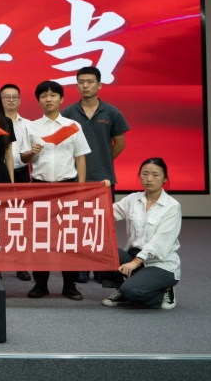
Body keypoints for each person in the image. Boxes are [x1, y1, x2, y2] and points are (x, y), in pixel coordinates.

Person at [21, 80, 92, 301]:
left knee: (68, 237)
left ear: (61, 99)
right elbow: (23, 158)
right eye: (43, 96)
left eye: (53, 95)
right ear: (38, 100)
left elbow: (80, 158)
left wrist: (81, 189)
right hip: (40, 187)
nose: (48, 99)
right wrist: (31, 152)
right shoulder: (31, 126)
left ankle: (69, 285)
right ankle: (40, 283)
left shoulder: (73, 125)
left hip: (67, 186)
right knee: (39, 237)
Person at [61, 66, 131, 284]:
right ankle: (82, 267)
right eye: (81, 82)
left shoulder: (111, 112)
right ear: (76, 86)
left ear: (99, 85)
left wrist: (103, 161)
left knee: (102, 225)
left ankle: (101, 267)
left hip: (104, 179)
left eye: (90, 82)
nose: (85, 86)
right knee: (78, 224)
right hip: (76, 178)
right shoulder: (68, 113)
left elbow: (120, 144)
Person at [101, 158, 180, 310]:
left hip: (160, 264)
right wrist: (101, 192)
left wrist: (136, 262)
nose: (149, 178)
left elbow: (159, 242)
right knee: (102, 250)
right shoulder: (133, 199)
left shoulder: (172, 206)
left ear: (165, 178)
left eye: (155, 175)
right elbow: (106, 214)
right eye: (145, 174)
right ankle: (122, 291)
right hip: (133, 257)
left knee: (131, 291)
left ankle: (165, 288)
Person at [0, 83, 33, 282]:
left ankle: (21, 265)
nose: (11, 100)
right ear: (0, 100)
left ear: (20, 100)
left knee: (20, 221)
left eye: (14, 97)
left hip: (21, 174)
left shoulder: (28, 124)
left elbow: (31, 154)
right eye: (6, 97)